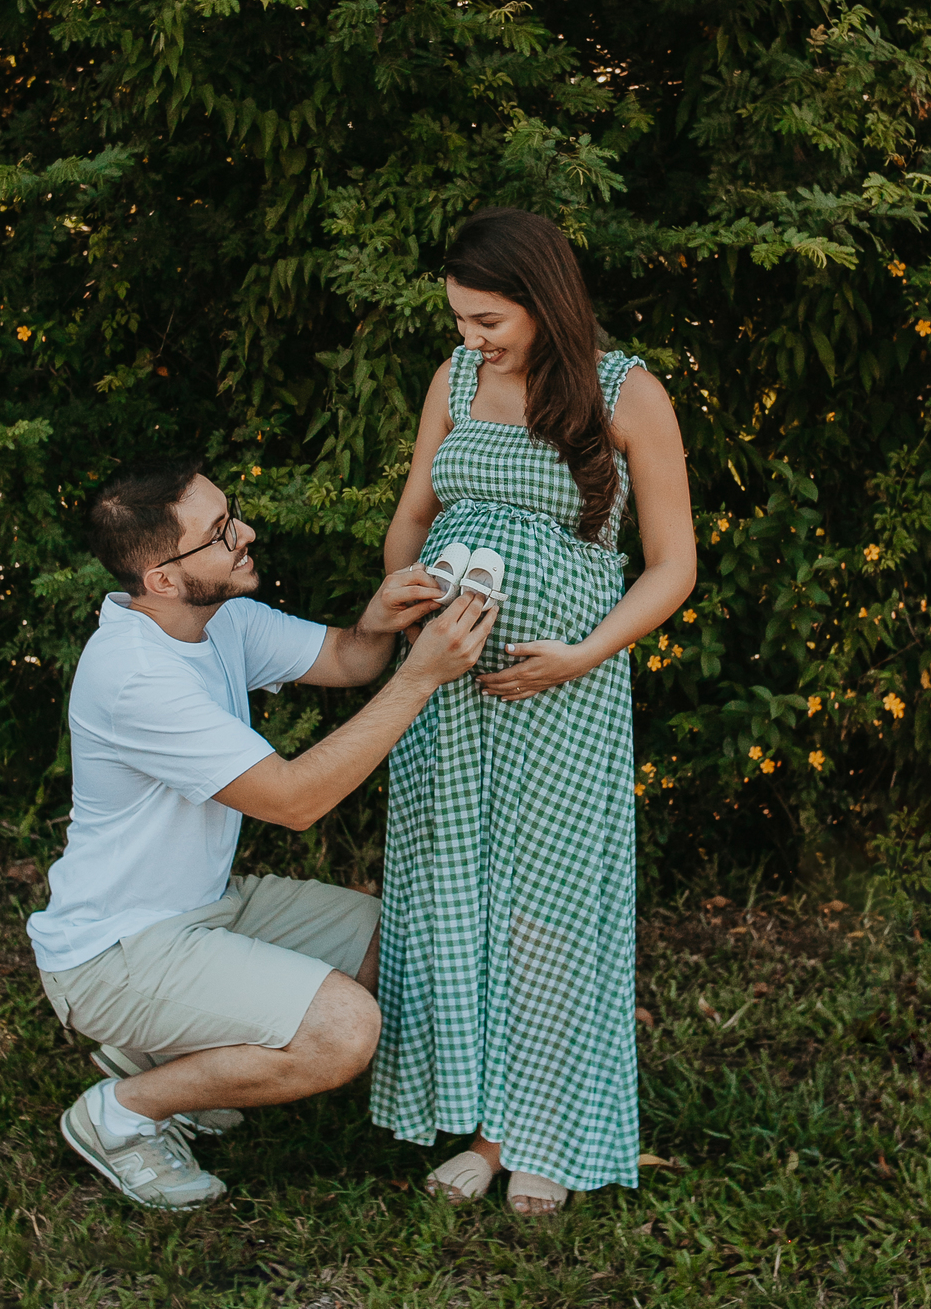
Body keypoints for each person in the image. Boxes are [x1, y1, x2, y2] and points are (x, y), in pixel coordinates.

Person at [27, 457, 496, 1211]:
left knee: (411, 936)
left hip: (206, 911)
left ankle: (167, 1043)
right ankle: (121, 1114)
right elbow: (293, 800)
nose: (245, 534)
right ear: (163, 580)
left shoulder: (221, 619)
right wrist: (421, 679)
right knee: (344, 1031)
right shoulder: (136, 675)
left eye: (231, 514)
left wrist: (377, 621)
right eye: (218, 534)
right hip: (114, 953)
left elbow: (347, 658)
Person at [371, 207, 696, 1213]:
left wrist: (581, 655)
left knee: (547, 911)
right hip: (448, 699)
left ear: (542, 299)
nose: (472, 338)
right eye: (462, 320)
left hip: (561, 692)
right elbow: (409, 525)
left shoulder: (627, 390)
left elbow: (673, 566)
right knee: (459, 897)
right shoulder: (454, 382)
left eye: (486, 319)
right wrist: (411, 595)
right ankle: (489, 1126)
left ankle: (549, 1131)